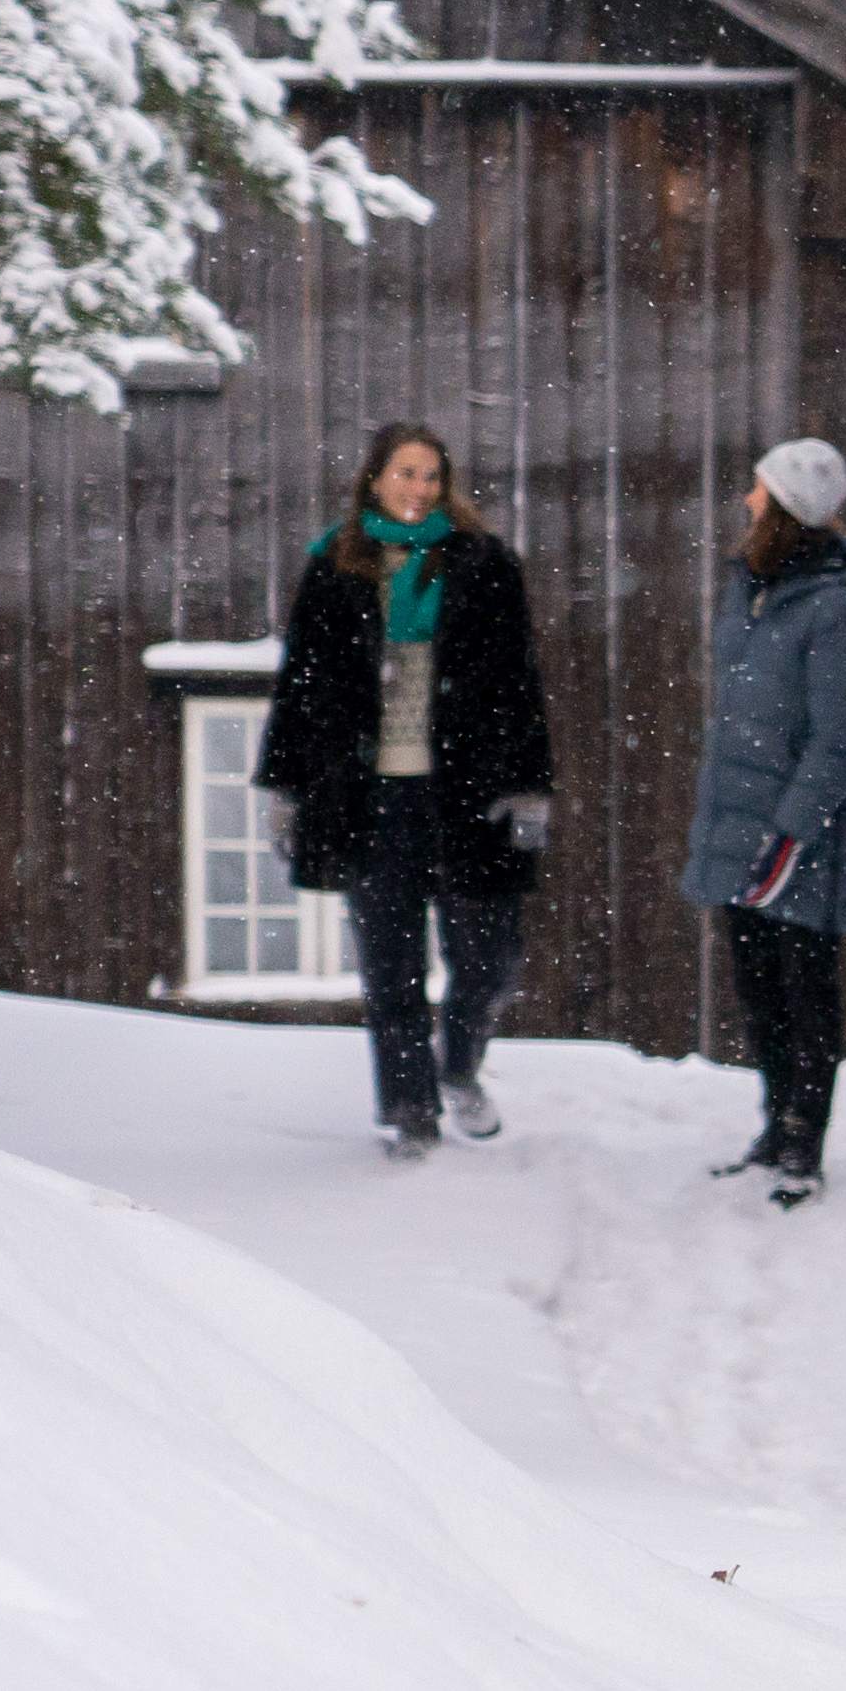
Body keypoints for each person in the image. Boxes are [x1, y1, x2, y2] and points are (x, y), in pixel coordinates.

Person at [252, 422, 554, 1160]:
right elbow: (301, 686)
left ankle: (458, 1069)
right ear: (375, 479)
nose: (420, 489)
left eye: (431, 477)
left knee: (487, 960)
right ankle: (407, 1115)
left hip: (467, 794)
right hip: (370, 797)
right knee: (392, 969)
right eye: (406, 473)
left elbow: (521, 683)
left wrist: (529, 788)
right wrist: (285, 785)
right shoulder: (336, 567)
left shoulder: (483, 564)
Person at [682, 437, 846, 1205]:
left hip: (798, 842)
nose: (746, 501)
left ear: (788, 508)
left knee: (806, 992)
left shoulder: (840, 613)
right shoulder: (756, 590)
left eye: (759, 490)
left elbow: (839, 742)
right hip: (743, 823)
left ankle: (805, 1141)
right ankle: (773, 1124)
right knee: (759, 987)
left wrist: (790, 835)